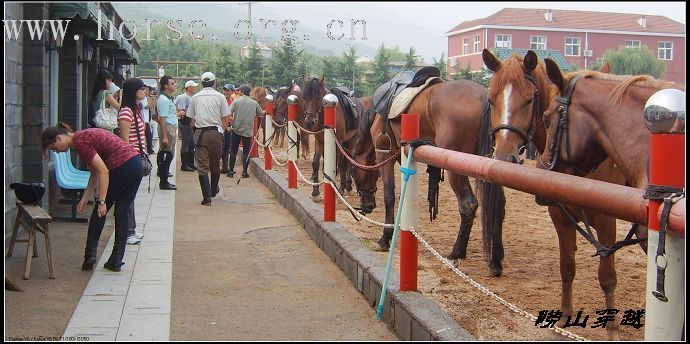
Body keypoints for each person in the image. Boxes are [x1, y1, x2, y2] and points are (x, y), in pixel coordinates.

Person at [42, 123, 143, 272]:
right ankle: (116, 261)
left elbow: (103, 172)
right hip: (135, 164)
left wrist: (102, 201)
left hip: (121, 166)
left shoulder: (80, 142)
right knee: (122, 212)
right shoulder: (84, 136)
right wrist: (85, 197)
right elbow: (95, 173)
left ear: (59, 138)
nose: (57, 152)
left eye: (54, 148)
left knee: (99, 211)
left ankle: (90, 255)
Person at [185, 72, 232, 206]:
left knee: (202, 166)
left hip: (201, 133)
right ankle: (212, 190)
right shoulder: (220, 97)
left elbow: (191, 119)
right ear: (214, 82)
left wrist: (196, 131)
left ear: (201, 83)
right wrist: (221, 131)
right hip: (216, 133)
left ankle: (207, 198)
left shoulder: (195, 97)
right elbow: (226, 117)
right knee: (216, 163)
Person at [118, 78, 149, 245]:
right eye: (141, 88)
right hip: (130, 157)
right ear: (134, 91)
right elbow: (125, 138)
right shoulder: (126, 112)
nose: (144, 91)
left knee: (131, 196)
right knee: (127, 197)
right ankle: (128, 232)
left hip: (136, 155)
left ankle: (132, 229)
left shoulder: (135, 109)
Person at [227, 84, 264, 178]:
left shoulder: (236, 102)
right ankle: (244, 172)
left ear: (242, 91)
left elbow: (228, 113)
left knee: (233, 151)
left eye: (239, 90)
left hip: (236, 129)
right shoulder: (254, 103)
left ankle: (231, 171)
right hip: (248, 131)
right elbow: (260, 113)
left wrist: (234, 119)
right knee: (246, 152)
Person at [156, 75, 181, 190]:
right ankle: (163, 180)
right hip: (167, 128)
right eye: (172, 83)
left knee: (168, 153)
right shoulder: (164, 99)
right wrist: (165, 136)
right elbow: (162, 119)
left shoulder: (169, 98)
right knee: (166, 154)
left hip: (171, 127)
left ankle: (164, 177)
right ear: (166, 86)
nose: (174, 85)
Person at [174, 80, 198, 172]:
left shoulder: (192, 97)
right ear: (189, 88)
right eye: (193, 86)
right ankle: (185, 164)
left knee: (191, 143)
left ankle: (191, 163)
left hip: (191, 121)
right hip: (185, 122)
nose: (195, 88)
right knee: (186, 143)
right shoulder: (183, 97)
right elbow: (182, 110)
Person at [221, 83, 235, 173]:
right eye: (225, 90)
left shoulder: (233, 102)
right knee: (220, 146)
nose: (226, 92)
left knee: (226, 147)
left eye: (228, 90)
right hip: (221, 126)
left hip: (229, 127)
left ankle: (225, 167)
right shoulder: (220, 100)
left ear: (232, 92)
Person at [142, 86, 155, 154]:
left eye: (147, 91)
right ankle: (147, 150)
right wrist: (150, 100)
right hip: (143, 120)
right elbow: (147, 106)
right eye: (145, 91)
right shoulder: (142, 99)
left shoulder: (146, 98)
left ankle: (149, 149)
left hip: (146, 120)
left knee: (149, 135)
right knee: (147, 135)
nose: (147, 92)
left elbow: (152, 106)